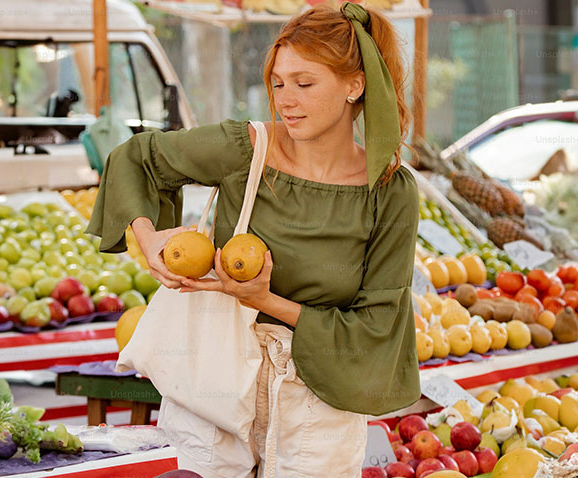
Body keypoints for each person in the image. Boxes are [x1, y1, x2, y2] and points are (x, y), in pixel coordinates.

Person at [86, 2, 421, 476]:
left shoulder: (389, 193)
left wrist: (267, 300)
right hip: (216, 385)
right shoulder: (246, 149)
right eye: (279, 83)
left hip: (317, 407)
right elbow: (135, 158)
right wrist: (150, 237)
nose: (285, 99)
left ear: (354, 85)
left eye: (305, 84)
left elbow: (378, 326)